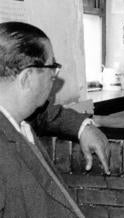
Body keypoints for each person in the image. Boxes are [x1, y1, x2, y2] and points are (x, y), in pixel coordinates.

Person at [0, 22, 107, 217]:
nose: (54, 76)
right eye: (52, 67)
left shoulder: (20, 115)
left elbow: (47, 114)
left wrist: (83, 127)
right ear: (27, 78)